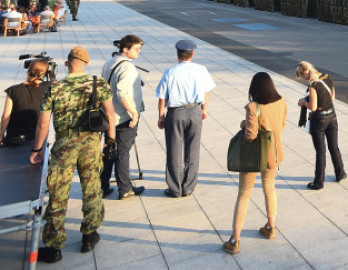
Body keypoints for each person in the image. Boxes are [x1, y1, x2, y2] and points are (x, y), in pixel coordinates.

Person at [30, 47, 116, 263]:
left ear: (67, 63)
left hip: (64, 143)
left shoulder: (54, 88)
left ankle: (54, 246)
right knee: (92, 188)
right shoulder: (98, 84)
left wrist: (37, 149)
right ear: (86, 63)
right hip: (90, 143)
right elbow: (111, 114)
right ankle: (89, 235)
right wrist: (111, 142)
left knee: (58, 193)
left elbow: (42, 124)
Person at [222, 72, 288, 255]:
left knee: (243, 194)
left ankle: (235, 240)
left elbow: (250, 135)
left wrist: (244, 124)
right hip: (273, 153)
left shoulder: (253, 107)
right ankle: (270, 227)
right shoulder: (281, 101)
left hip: (254, 156)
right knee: (270, 188)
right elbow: (282, 125)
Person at [155, 38, 215, 198]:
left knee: (174, 150)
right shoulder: (201, 70)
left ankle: (175, 188)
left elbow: (162, 97)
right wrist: (204, 109)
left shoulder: (170, 72)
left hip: (176, 112)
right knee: (193, 150)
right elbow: (207, 91)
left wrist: (161, 116)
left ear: (177, 54)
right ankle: (188, 186)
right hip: (195, 110)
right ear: (192, 54)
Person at [100, 34, 146, 199]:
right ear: (125, 49)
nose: (139, 52)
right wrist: (134, 113)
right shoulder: (127, 67)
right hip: (123, 116)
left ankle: (102, 185)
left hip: (109, 115)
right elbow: (121, 92)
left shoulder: (110, 62)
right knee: (122, 152)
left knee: (110, 149)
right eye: (136, 49)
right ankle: (125, 188)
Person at [296, 61, 346, 189]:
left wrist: (303, 103)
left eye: (303, 76)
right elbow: (332, 97)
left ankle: (318, 182)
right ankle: (340, 174)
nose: (304, 79)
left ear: (305, 71)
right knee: (334, 147)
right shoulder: (326, 76)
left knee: (321, 152)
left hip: (319, 120)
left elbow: (312, 107)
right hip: (332, 117)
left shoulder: (313, 85)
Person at [0, 58, 52, 147]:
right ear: (45, 73)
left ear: (28, 71)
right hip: (36, 138)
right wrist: (52, 74)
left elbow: (6, 116)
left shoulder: (13, 90)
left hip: (14, 138)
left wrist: (0, 135)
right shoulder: (49, 88)